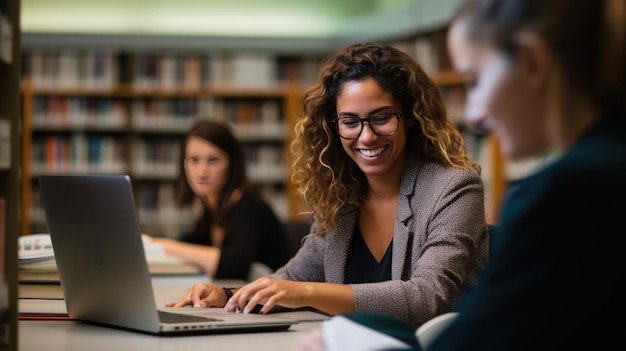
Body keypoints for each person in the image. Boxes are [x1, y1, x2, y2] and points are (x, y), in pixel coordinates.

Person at [298, 0, 626, 350]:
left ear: (533, 63)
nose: (477, 114)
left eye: (476, 80)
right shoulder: (602, 171)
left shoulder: (566, 192)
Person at [166, 42, 489, 329]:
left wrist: (305, 293)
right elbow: (293, 280)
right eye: (350, 122)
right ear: (333, 127)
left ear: (411, 117)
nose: (365, 136)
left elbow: (428, 298)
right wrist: (227, 295)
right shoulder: (341, 194)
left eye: (381, 118)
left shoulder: (453, 188)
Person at [147, 120, 292, 280]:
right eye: (194, 160)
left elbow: (235, 266)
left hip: (277, 302)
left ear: (232, 164)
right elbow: (196, 245)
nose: (202, 172)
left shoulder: (251, 207)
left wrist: (164, 246)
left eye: (213, 160)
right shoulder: (211, 206)